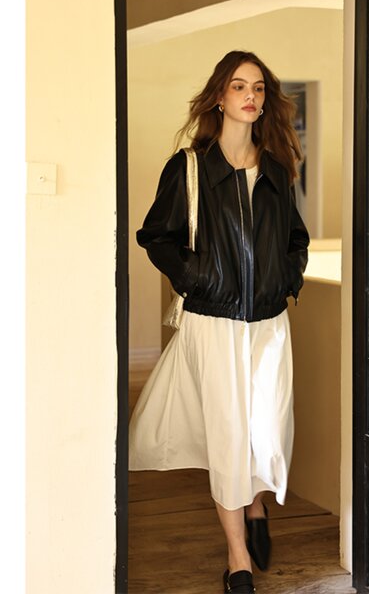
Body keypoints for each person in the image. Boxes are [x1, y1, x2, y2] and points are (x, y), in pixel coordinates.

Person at [129, 50, 310, 594]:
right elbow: (155, 236)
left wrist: (287, 275)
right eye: (238, 86)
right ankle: (238, 561)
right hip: (214, 321)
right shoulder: (189, 167)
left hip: (269, 323)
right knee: (229, 434)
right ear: (219, 98)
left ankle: (255, 504)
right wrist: (195, 276)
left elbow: (295, 238)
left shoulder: (276, 169)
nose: (250, 96)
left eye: (258, 87)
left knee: (267, 429)